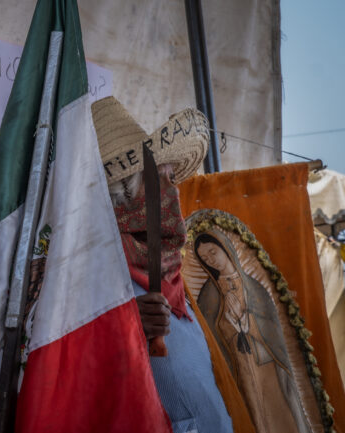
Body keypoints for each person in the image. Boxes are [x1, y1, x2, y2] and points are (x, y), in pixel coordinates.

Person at [91, 96, 247, 433]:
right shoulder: (97, 281)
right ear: (120, 201)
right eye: (154, 184)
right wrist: (124, 325)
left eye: (168, 181)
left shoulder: (170, 274)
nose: (170, 197)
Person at [195, 232, 312, 433]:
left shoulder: (254, 287)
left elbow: (271, 328)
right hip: (239, 368)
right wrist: (231, 322)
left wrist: (245, 320)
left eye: (213, 252)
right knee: (253, 416)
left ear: (225, 248)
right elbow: (210, 336)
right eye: (205, 259)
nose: (211, 260)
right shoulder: (208, 295)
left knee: (279, 414)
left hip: (266, 362)